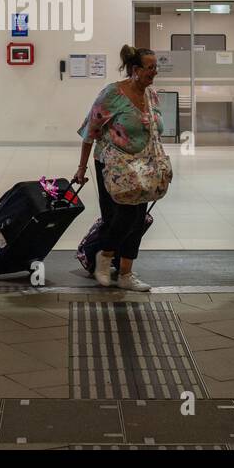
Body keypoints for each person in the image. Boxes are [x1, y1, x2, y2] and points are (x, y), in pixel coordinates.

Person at [73, 45, 162, 292]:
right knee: (122, 217)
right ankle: (103, 256)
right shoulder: (112, 94)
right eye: (150, 67)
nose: (154, 72)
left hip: (142, 166)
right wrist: (81, 168)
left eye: (156, 67)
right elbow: (89, 132)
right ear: (135, 69)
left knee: (137, 219)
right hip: (112, 166)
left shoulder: (151, 96)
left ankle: (125, 274)